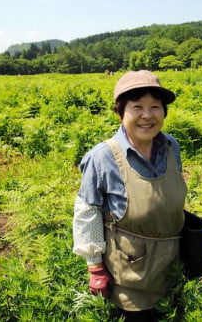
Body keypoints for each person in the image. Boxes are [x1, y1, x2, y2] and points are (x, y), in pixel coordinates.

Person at [72, 70, 187, 321]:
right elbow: (87, 213)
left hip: (174, 268)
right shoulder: (102, 157)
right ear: (120, 112)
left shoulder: (171, 146)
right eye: (137, 107)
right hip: (132, 279)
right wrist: (95, 267)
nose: (147, 116)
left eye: (155, 107)